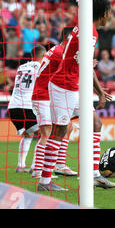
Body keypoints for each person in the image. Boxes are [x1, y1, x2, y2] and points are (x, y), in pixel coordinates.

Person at [38, 0, 115, 191]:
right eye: (110, 12)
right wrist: (99, 92)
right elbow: (87, 66)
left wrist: (98, 91)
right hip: (62, 86)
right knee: (60, 131)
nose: (110, 16)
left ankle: (94, 175)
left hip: (74, 86)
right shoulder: (89, 33)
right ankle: (45, 181)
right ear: (104, 13)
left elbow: (85, 65)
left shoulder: (86, 28)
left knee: (96, 123)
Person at [30, 27, 77, 179]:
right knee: (47, 132)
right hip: (43, 95)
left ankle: (59, 165)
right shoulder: (60, 53)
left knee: (67, 127)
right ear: (69, 38)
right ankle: (38, 170)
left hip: (46, 94)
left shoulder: (56, 50)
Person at [8, 45, 46, 173]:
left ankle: (21, 165)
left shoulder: (21, 67)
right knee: (46, 133)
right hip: (27, 107)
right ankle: (36, 166)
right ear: (44, 55)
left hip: (13, 107)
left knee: (29, 134)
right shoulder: (41, 67)